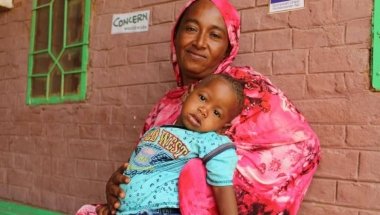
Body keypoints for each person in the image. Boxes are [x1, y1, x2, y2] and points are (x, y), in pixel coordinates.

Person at [77, 0, 320, 214]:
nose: (200, 42)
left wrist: (201, 182)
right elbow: (149, 161)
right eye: (191, 29)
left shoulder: (247, 91)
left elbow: (303, 148)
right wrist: (119, 186)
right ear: (176, 36)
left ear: (228, 46)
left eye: (215, 35)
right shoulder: (165, 106)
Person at [118, 73, 244, 215]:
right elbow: (131, 169)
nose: (204, 110)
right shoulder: (154, 131)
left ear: (223, 127)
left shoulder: (210, 141)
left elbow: (222, 188)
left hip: (162, 209)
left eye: (216, 112)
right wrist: (115, 204)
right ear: (187, 94)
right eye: (202, 98)